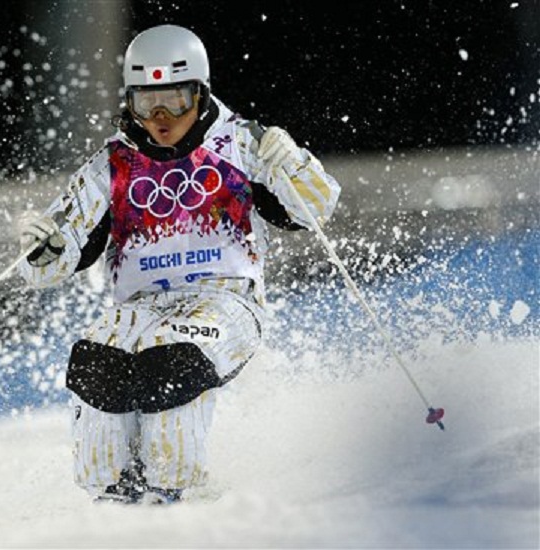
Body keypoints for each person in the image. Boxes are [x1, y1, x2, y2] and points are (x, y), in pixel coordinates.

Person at [17, 24, 340, 504]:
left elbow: (314, 211)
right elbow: (53, 259)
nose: (161, 117)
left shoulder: (241, 143)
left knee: (170, 358)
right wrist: (42, 248)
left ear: (200, 93)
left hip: (225, 299)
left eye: (175, 100)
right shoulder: (112, 164)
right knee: (99, 357)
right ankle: (111, 493)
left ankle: (173, 490)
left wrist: (293, 164)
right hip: (143, 304)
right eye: (147, 103)